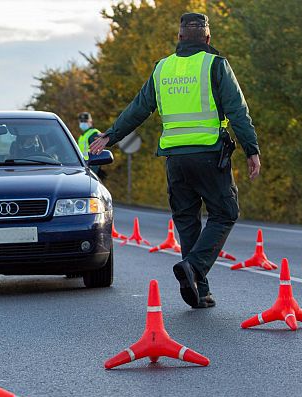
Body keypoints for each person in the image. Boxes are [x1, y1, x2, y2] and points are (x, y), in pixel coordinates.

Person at [90, 13, 261, 309]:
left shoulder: (162, 69)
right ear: (208, 39)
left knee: (186, 220)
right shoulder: (215, 65)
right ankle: (194, 267)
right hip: (209, 154)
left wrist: (111, 135)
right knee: (225, 212)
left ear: (180, 38)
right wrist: (251, 149)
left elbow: (138, 109)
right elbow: (237, 110)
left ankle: (200, 290)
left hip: (175, 159)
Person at [76, 112, 103, 177]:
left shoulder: (94, 134)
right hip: (83, 167)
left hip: (91, 168)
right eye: (81, 121)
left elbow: (97, 156)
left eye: (85, 121)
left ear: (90, 121)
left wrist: (93, 173)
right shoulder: (82, 136)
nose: (83, 123)